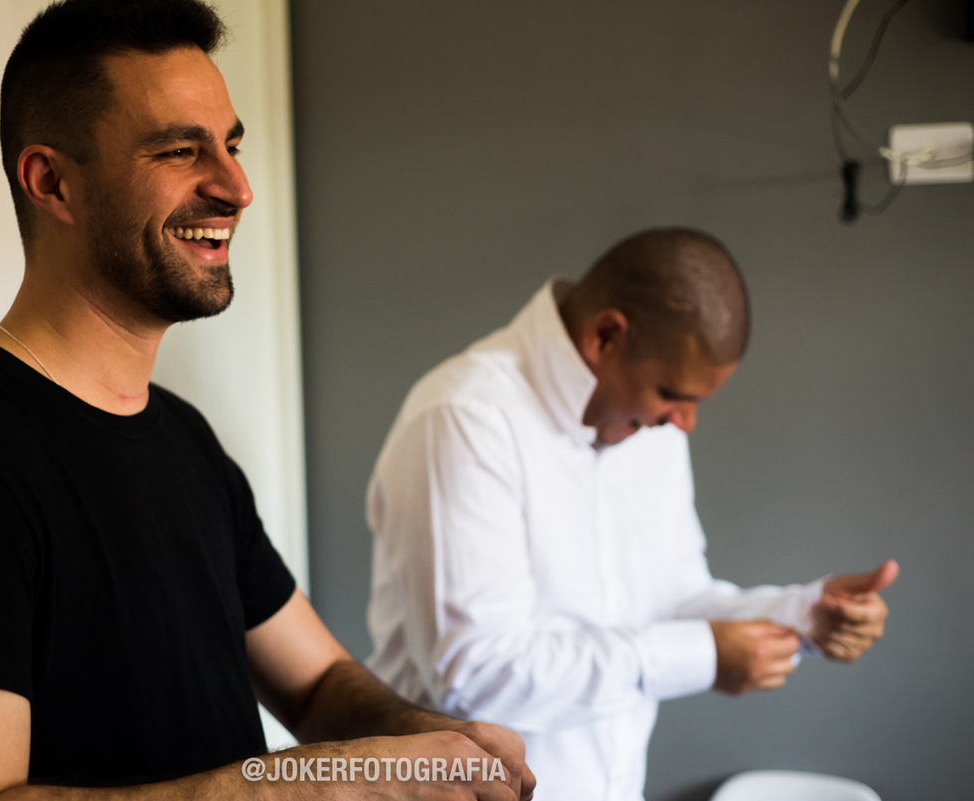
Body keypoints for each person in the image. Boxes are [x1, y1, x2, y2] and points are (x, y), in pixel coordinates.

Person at [0, 2, 536, 800]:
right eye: (180, 149)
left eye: (232, 144)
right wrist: (306, 787)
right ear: (53, 182)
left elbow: (318, 685)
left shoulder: (186, 439)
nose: (237, 187)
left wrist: (423, 739)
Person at [364, 229, 897, 801]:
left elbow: (673, 598)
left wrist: (805, 614)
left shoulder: (649, 423)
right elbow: (477, 678)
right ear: (606, 336)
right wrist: (704, 656)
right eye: (673, 393)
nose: (687, 423)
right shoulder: (464, 418)